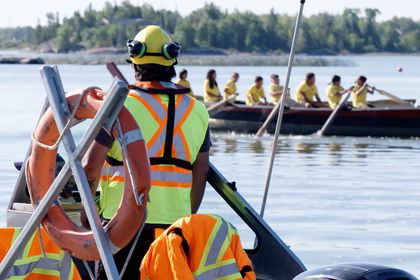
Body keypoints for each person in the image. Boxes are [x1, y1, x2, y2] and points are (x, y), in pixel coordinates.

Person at [83, 25, 211, 279]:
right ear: (172, 62)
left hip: (122, 225)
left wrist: (87, 215)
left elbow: (89, 167)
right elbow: (201, 173)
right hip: (175, 227)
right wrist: (186, 216)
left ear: (134, 62)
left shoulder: (119, 106)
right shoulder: (199, 111)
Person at [140, 214, 256, 280]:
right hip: (222, 227)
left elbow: (180, 274)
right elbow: (246, 268)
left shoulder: (156, 263)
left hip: (184, 233)